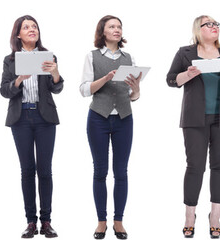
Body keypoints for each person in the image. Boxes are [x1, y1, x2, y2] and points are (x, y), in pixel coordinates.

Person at [166, 15, 220, 239]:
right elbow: (171, 80)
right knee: (194, 167)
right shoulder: (185, 53)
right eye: (209, 24)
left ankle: (215, 216)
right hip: (194, 119)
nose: (214, 27)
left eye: (216, 24)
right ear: (198, 29)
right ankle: (190, 216)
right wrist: (187, 74)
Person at [0, 15, 62, 239]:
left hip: (45, 117)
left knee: (45, 170)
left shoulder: (49, 56)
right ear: (18, 34)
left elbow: (57, 88)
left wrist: (54, 73)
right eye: (26, 27)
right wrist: (18, 79)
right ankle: (30, 222)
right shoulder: (10, 60)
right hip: (21, 117)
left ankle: (46, 222)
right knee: (27, 171)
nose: (31, 30)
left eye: (34, 26)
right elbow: (4, 91)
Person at [80, 15, 140, 240]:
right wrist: (105, 78)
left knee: (121, 172)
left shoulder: (129, 57)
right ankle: (101, 222)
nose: (117, 30)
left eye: (119, 26)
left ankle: (119, 222)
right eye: (112, 26)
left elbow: (133, 96)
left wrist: (136, 89)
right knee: (100, 171)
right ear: (102, 32)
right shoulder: (92, 56)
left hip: (124, 118)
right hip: (98, 118)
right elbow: (84, 89)